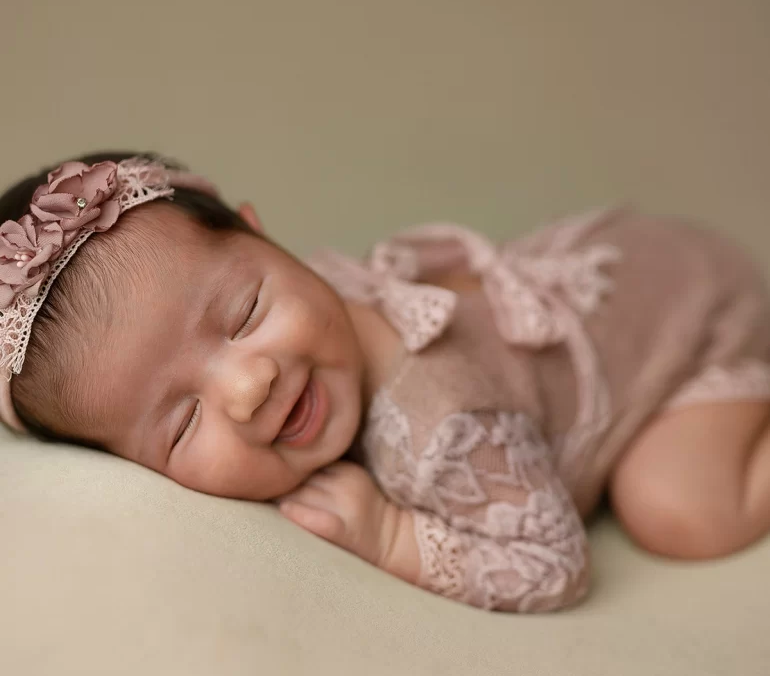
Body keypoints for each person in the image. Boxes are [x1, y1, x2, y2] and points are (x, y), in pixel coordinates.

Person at [2, 151, 769, 613]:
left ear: (264, 232)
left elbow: (555, 562)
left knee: (680, 513)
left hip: (684, 321)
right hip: (619, 287)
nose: (248, 388)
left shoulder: (442, 423)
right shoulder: (318, 314)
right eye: (181, 423)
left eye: (245, 313)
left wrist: (395, 536)